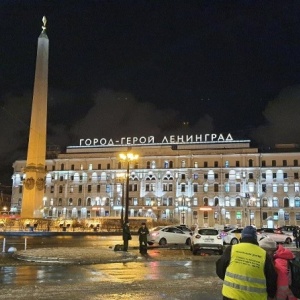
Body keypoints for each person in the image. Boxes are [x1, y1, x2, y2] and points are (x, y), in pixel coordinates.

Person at [216, 226, 277, 300]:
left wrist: (229, 280)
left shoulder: (231, 249)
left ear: (242, 237)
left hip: (231, 295)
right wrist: (271, 295)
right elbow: (271, 278)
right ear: (255, 238)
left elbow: (220, 269)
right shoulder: (263, 254)